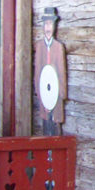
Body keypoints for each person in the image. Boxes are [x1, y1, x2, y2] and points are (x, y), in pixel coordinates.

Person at [34, 7, 67, 135]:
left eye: (50, 24)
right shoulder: (40, 46)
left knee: (55, 123)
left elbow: (61, 71)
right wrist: (38, 90)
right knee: (45, 123)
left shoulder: (58, 47)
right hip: (44, 91)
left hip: (56, 92)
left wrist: (62, 93)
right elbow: (37, 70)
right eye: (46, 24)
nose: (48, 27)